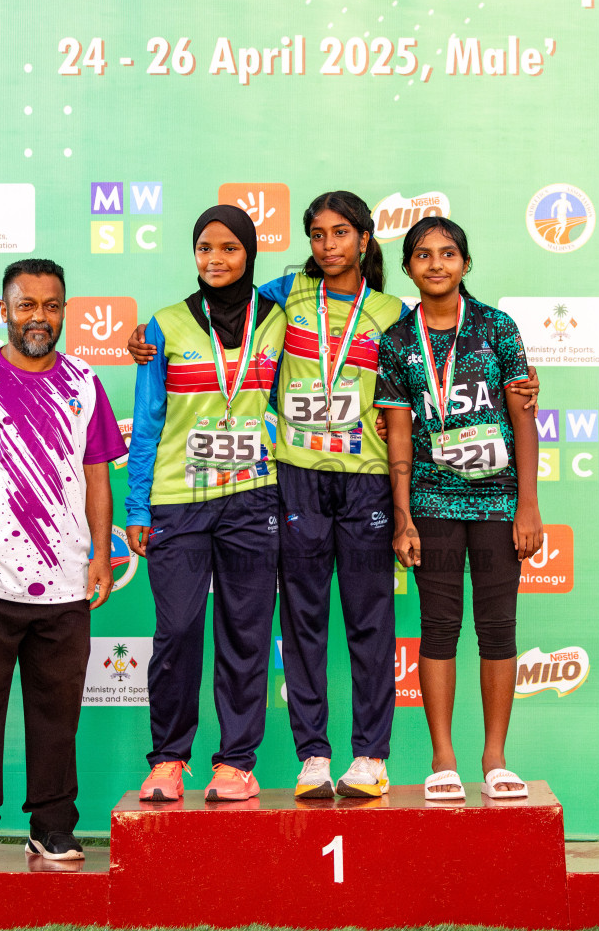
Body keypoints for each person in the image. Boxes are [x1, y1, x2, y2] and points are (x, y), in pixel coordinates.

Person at [127, 192, 540, 799]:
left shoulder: (395, 314)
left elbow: (428, 384)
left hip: (368, 478)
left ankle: (370, 756)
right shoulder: (284, 295)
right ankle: (313, 754)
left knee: (370, 620)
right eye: (317, 235)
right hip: (294, 475)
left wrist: (523, 386)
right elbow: (222, 299)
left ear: (365, 241)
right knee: (303, 621)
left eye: (340, 234)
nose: (328, 245)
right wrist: (149, 336)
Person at [0, 258, 127, 863]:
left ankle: (53, 824)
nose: (40, 316)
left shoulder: (86, 383)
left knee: (56, 715)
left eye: (52, 305)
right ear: (4, 310)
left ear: (64, 310)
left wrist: (100, 552)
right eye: (27, 304)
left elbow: (97, 475)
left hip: (65, 583)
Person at [376, 217, 541, 802]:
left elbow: (524, 417)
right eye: (423, 255)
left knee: (498, 627)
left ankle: (494, 756)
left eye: (449, 254)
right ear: (409, 267)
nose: (437, 264)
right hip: (430, 501)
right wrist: (403, 516)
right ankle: (442, 758)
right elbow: (397, 432)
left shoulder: (497, 327)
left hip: (498, 504)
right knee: (439, 628)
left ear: (466, 264)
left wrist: (528, 505)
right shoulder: (397, 340)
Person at [128, 205, 287, 803]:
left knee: (245, 631)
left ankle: (236, 763)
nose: (214, 260)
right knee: (177, 629)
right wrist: (137, 508)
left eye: (228, 248)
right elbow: (146, 422)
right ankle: (169, 758)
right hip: (178, 501)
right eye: (203, 248)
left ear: (249, 254)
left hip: (253, 497)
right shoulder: (163, 325)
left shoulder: (277, 318)